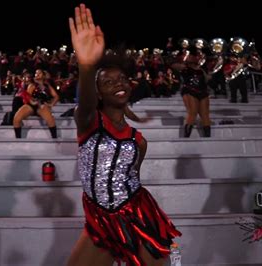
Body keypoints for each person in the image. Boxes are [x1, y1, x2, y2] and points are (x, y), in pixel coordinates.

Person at [66, 5, 180, 266]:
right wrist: (86, 65)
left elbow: (132, 179)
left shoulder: (139, 140)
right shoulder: (88, 122)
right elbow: (83, 104)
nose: (118, 84)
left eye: (122, 79)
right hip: (101, 220)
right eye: (108, 82)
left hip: (139, 216)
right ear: (98, 93)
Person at [12, 69, 59, 138]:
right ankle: (18, 138)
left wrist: (51, 104)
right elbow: (28, 96)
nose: (37, 74)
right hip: (31, 105)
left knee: (50, 120)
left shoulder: (47, 86)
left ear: (43, 75)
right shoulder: (32, 84)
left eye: (39, 73)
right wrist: (32, 102)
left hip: (42, 105)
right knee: (16, 118)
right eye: (36, 73)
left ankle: (54, 137)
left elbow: (56, 96)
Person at [180, 49, 211, 137]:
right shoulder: (184, 67)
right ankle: (186, 137)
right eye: (191, 56)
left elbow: (207, 79)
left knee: (205, 114)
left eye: (195, 56)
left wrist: (209, 73)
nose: (193, 57)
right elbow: (175, 65)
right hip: (190, 90)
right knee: (193, 112)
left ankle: (208, 138)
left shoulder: (202, 68)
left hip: (203, 91)